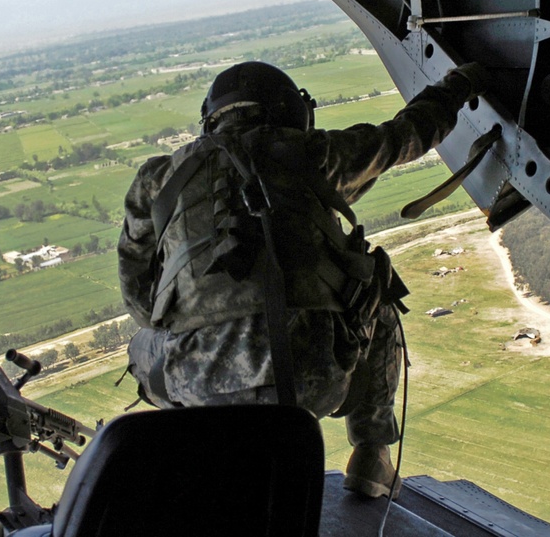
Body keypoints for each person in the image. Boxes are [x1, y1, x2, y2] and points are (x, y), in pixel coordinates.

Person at [117, 60, 487, 498]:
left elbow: (141, 304)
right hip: (313, 382)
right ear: (292, 112)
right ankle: (372, 455)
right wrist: (460, 84)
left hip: (197, 393)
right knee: (378, 293)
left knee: (141, 348)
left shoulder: (157, 181)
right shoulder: (316, 155)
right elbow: (408, 134)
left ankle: (202, 465)